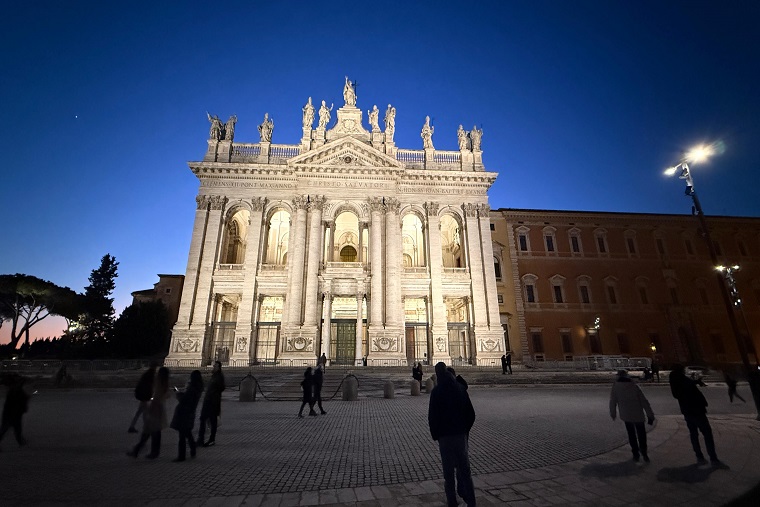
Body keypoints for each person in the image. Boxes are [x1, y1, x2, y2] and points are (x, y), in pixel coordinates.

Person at [428, 362, 476, 507]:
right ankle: (472, 502)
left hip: (445, 438)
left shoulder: (436, 391)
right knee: (465, 472)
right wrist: (464, 430)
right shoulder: (460, 388)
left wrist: (436, 435)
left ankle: (452, 502)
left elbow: (432, 417)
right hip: (460, 436)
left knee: (448, 474)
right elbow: (471, 413)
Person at [669, 364, 719, 465]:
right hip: (696, 409)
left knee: (693, 433)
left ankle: (699, 455)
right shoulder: (683, 381)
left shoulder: (676, 381)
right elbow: (690, 389)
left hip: (687, 410)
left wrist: (695, 382)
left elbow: (682, 390)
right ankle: (712, 456)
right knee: (707, 433)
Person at [609, 370, 655, 462]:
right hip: (638, 414)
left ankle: (635, 453)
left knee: (631, 435)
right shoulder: (634, 386)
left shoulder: (616, 387)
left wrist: (613, 413)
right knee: (641, 434)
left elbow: (612, 401)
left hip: (626, 414)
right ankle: (644, 452)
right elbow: (644, 402)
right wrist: (650, 415)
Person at [128, 366, 170, 459]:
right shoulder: (165, 383)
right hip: (159, 409)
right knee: (153, 431)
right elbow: (166, 395)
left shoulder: (159, 383)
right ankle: (147, 451)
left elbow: (156, 396)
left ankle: (140, 450)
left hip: (154, 409)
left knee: (149, 431)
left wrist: (151, 406)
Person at [170, 370, 204, 462]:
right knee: (187, 433)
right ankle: (193, 449)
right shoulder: (197, 388)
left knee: (182, 436)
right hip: (190, 412)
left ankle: (182, 456)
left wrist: (178, 393)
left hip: (184, 413)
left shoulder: (192, 389)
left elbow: (184, 399)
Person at [198, 361, 226, 447]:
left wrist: (215, 393)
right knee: (203, 420)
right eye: (214, 366)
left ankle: (211, 439)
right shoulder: (214, 376)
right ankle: (201, 439)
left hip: (213, 402)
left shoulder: (219, 377)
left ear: (219, 367)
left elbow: (222, 387)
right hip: (209, 401)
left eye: (215, 366)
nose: (214, 367)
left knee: (212, 421)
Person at [0, 374, 29, 449]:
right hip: (13, 413)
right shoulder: (17, 391)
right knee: (11, 428)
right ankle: (20, 441)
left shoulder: (14, 390)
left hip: (11, 412)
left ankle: (20, 441)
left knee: (12, 428)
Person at [128, 362, 157, 433]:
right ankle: (146, 427)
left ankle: (132, 426)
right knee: (145, 412)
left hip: (143, 395)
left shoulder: (147, 374)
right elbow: (151, 386)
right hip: (145, 396)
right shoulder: (151, 374)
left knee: (140, 412)